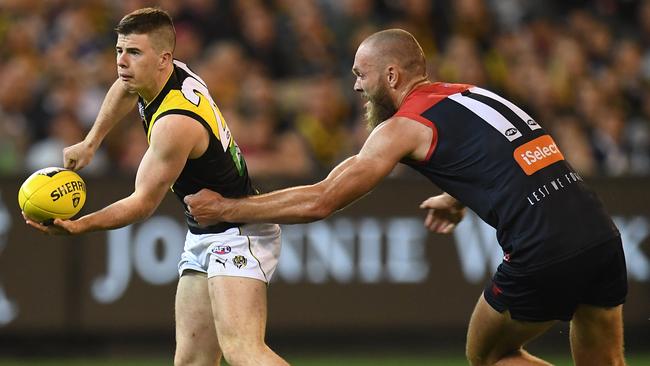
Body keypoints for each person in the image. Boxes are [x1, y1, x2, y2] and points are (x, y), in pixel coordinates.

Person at [184, 29, 627, 366]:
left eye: (360, 74)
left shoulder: (401, 126)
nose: (355, 87)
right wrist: (455, 199)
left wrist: (225, 208)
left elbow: (323, 199)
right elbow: (518, 157)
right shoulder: (471, 93)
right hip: (601, 234)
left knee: (488, 355)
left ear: (391, 75)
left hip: (543, 247)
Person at [23, 8, 288, 366]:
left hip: (237, 229)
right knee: (191, 361)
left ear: (163, 58)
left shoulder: (174, 123)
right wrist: (91, 141)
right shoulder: (167, 75)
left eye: (133, 53)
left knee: (243, 350)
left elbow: (143, 203)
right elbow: (123, 86)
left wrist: (80, 225)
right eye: (119, 50)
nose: (121, 61)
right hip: (206, 230)